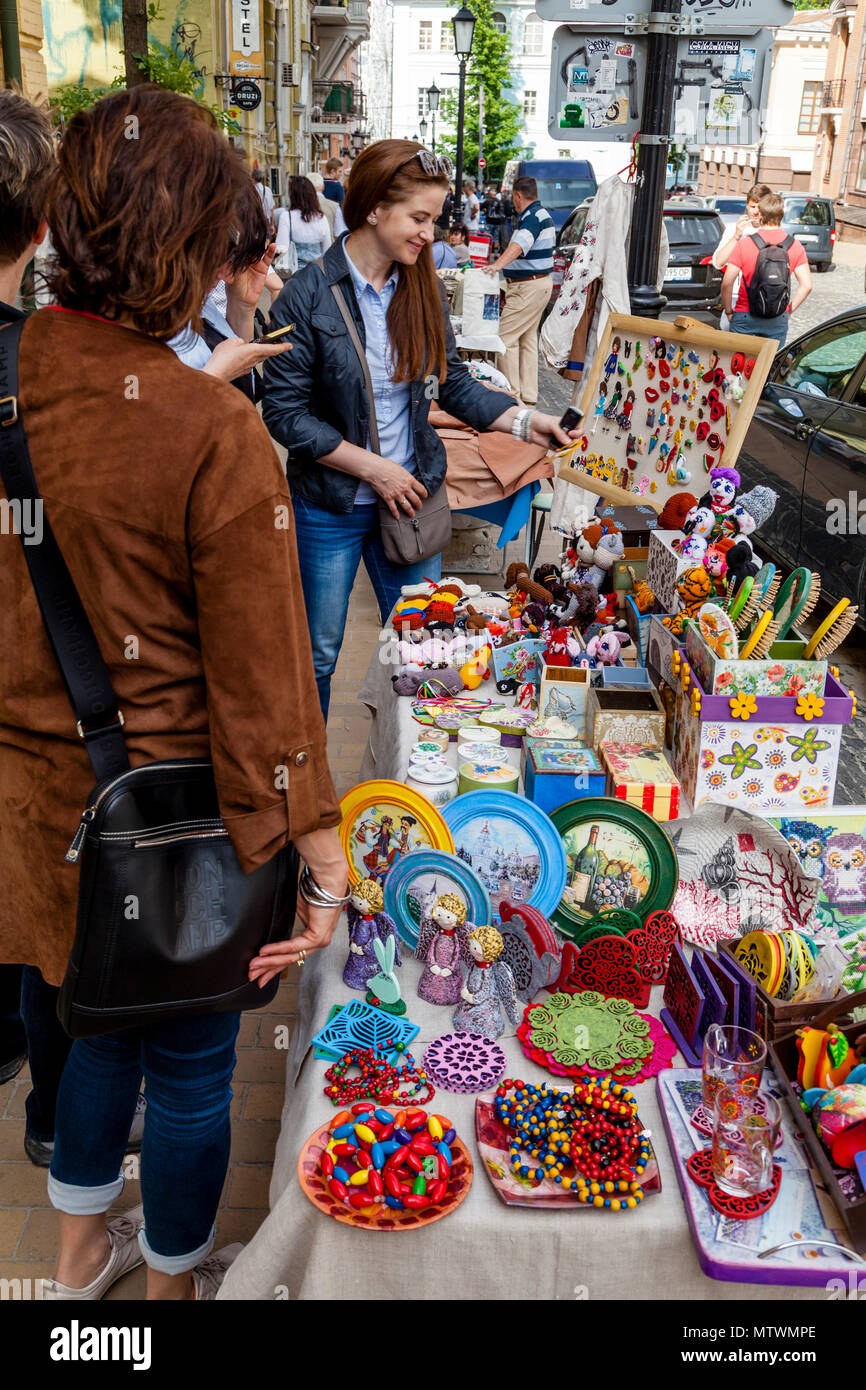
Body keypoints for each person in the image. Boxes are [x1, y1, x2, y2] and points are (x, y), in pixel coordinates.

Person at [0, 86, 347, 1301]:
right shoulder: (207, 425)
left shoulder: (15, 370)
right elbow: (265, 687)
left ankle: (75, 1256)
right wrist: (322, 857)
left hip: (44, 816)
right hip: (180, 824)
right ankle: (164, 1296)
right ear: (185, 247)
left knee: (92, 1030)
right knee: (195, 1066)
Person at [262, 140, 579, 718]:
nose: (429, 233)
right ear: (375, 208)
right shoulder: (306, 295)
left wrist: (528, 421)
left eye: (433, 220)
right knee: (318, 657)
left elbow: (453, 384)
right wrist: (375, 468)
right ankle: (308, 795)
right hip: (329, 506)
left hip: (413, 501)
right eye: (419, 218)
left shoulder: (423, 287)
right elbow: (284, 413)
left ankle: (416, 784)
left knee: (428, 652)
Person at [488, 174, 555, 406]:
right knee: (526, 339)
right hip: (538, 285)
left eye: (513, 198)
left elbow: (519, 245)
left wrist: (497, 265)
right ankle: (528, 395)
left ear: (518, 195)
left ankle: (512, 396)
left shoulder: (532, 217)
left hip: (528, 287)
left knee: (503, 338)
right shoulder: (541, 214)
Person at [722, 190, 812, 349]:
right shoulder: (794, 245)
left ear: (761, 214)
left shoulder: (745, 244)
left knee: (738, 367)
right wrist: (788, 310)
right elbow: (807, 285)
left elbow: (727, 283)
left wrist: (729, 311)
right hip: (777, 316)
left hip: (745, 313)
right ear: (782, 215)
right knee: (770, 366)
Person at [711, 182, 771, 330]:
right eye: (752, 207)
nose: (756, 212)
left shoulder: (772, 231)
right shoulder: (734, 229)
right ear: (747, 206)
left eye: (760, 207)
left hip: (764, 298)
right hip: (736, 297)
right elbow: (718, 263)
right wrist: (736, 236)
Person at [283, 174, 333, 270]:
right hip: (316, 275)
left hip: (294, 275)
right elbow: (327, 251)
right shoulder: (321, 218)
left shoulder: (286, 217)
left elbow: (282, 248)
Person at [308, 169, 347, 238]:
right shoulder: (334, 207)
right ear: (323, 187)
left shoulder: (297, 206)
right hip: (329, 247)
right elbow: (340, 233)